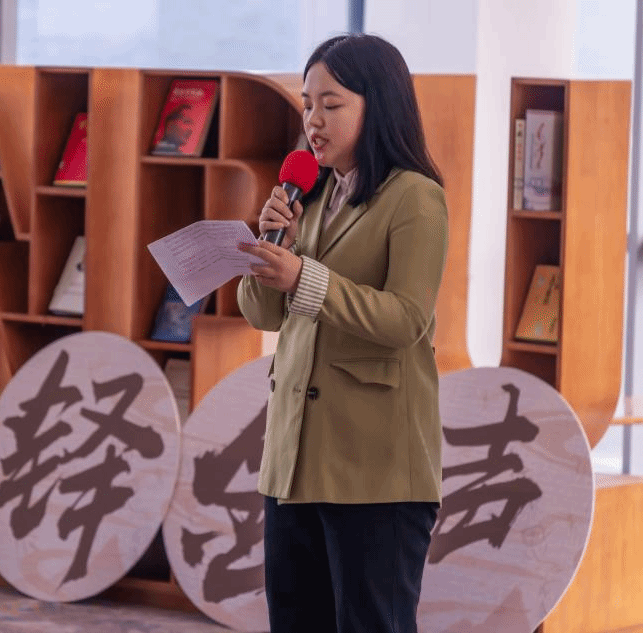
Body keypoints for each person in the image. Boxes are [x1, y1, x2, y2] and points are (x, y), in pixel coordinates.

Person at [236, 33, 448, 633]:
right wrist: (270, 245)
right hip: (294, 461)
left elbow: (405, 320)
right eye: (307, 105)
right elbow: (263, 315)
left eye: (331, 105)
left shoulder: (416, 198)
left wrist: (302, 275)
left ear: (378, 106)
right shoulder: (310, 194)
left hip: (376, 468)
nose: (313, 121)